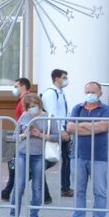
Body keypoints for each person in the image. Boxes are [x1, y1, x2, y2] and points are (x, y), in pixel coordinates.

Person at [65, 82, 109, 217]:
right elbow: (70, 128)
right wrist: (92, 127)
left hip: (99, 157)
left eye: (93, 91)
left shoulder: (106, 109)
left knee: (100, 191)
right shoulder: (77, 108)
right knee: (79, 191)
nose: (90, 94)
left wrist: (81, 127)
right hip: (78, 156)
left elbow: (103, 127)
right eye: (87, 91)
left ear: (100, 93)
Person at [10, 93, 47, 217]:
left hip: (38, 155)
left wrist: (40, 134)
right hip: (22, 154)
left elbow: (57, 136)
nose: (32, 109)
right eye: (30, 107)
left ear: (39, 104)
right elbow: (14, 137)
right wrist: (24, 135)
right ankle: (13, 215)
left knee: (37, 186)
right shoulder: (24, 117)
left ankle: (34, 215)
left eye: (35, 106)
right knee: (19, 185)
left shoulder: (48, 117)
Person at [44, 68, 73, 198]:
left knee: (66, 159)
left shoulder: (61, 93)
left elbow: (64, 112)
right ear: (57, 78)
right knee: (50, 158)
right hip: (55, 131)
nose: (66, 80)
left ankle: (66, 187)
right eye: (64, 78)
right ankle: (31, 171)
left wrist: (68, 127)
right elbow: (53, 114)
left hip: (64, 129)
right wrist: (61, 130)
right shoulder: (51, 93)